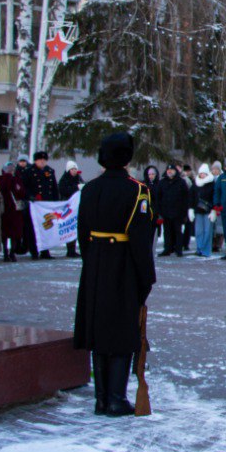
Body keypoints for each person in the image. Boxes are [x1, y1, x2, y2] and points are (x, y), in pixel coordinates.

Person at [74, 132, 155, 418]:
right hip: (123, 265)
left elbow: (82, 233)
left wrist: (94, 258)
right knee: (121, 330)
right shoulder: (137, 190)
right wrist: (146, 276)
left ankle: (100, 398)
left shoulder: (90, 189)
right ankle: (116, 398)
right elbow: (140, 237)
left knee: (98, 329)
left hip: (96, 264)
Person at [23, 152, 59, 259]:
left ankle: (45, 251)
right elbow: (24, 187)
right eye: (40, 160)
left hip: (46, 205)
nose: (42, 161)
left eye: (44, 160)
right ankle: (34, 251)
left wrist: (56, 202)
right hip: (34, 206)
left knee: (46, 228)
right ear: (35, 161)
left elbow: (53, 188)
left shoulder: (49, 171)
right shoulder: (29, 172)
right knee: (33, 229)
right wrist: (30, 196)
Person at [156, 163, 189, 258]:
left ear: (176, 171)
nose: (169, 171)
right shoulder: (162, 182)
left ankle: (178, 249)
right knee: (167, 232)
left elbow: (185, 198)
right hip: (165, 211)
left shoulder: (181, 182)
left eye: (172, 170)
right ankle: (167, 249)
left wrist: (184, 212)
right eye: (168, 170)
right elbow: (159, 197)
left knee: (178, 231)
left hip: (178, 212)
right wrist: (160, 210)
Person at [0, 162, 26, 262]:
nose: (11, 170)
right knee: (5, 233)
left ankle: (12, 252)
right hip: (5, 210)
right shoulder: (0, 179)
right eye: (9, 168)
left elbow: (21, 192)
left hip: (15, 210)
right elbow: (2, 190)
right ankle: (5, 253)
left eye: (12, 168)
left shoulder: (17, 179)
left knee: (15, 233)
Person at [58, 160, 84, 258]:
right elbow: (63, 190)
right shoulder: (64, 180)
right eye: (72, 169)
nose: (74, 171)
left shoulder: (79, 179)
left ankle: (73, 249)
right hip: (68, 208)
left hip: (78, 207)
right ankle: (70, 249)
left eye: (75, 169)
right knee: (69, 228)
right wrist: (76, 187)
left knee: (76, 228)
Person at [192, 163, 216, 257]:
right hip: (198, 211)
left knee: (207, 231)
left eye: (204, 173)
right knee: (198, 231)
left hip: (208, 211)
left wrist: (214, 209)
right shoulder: (196, 184)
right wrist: (190, 209)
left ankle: (206, 250)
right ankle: (199, 248)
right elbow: (191, 197)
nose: (202, 175)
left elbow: (215, 197)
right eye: (201, 173)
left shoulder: (211, 184)